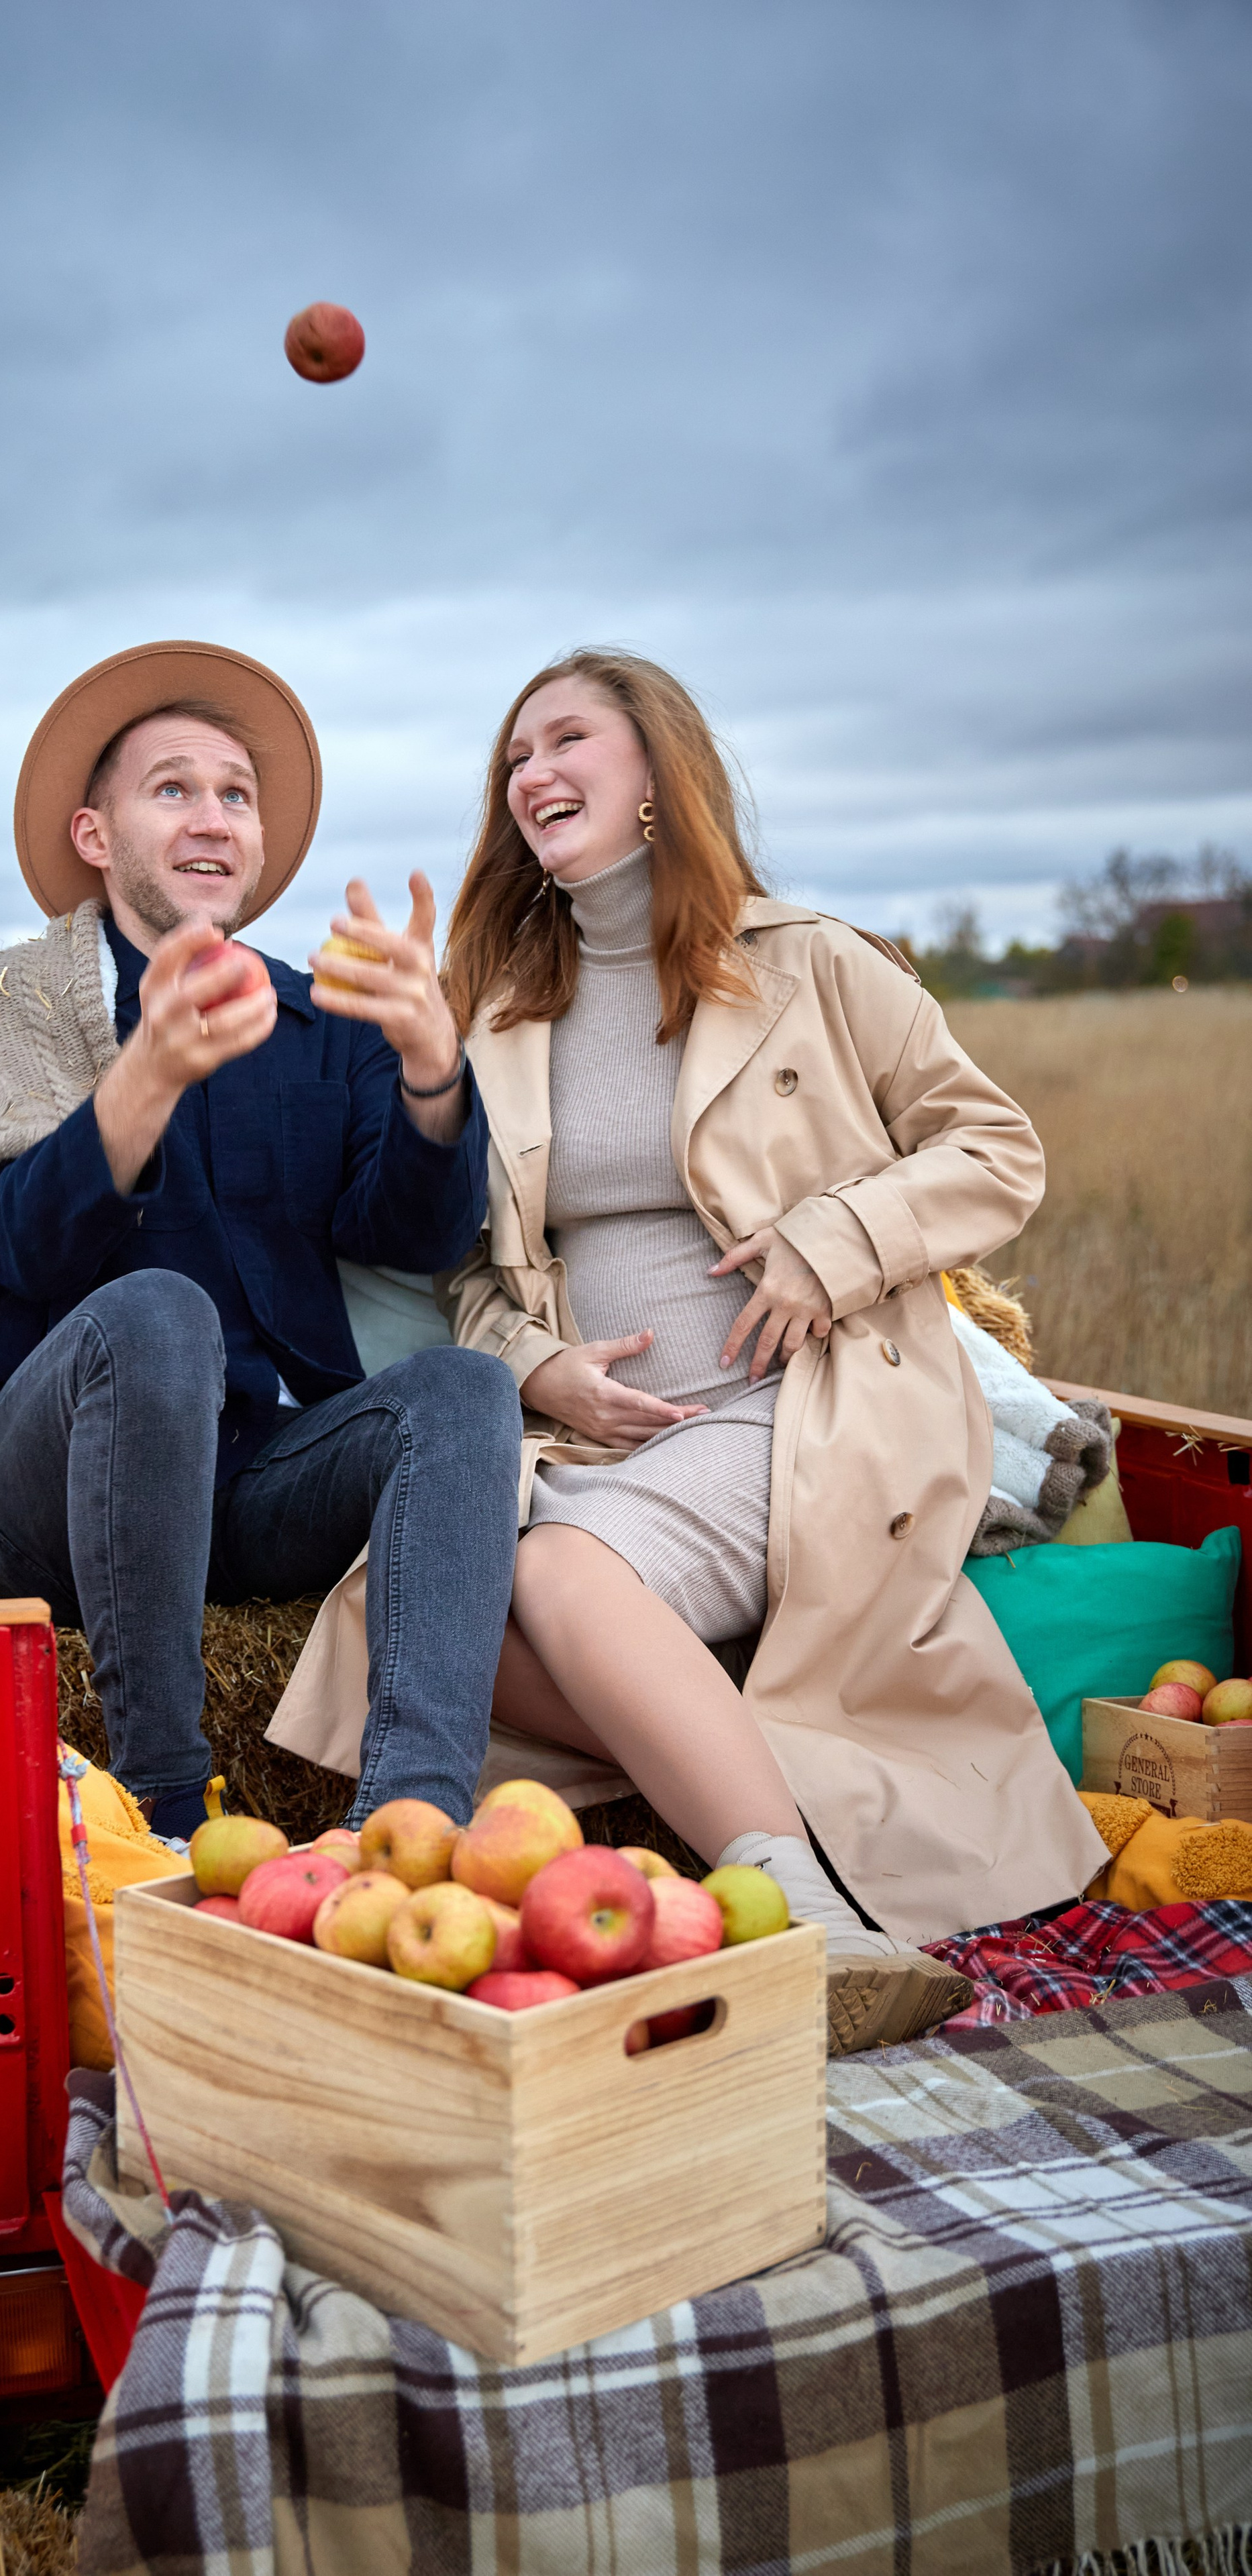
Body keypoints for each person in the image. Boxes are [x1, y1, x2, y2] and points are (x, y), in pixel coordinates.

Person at [440, 648, 1108, 2049]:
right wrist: (529, 1367)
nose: (530, 775)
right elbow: (460, 1274)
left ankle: (797, 1909)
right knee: (420, 1607)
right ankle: (740, 1741)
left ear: (653, 778)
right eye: (513, 759)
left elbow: (994, 1151)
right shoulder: (499, 1009)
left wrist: (834, 1240)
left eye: (565, 741)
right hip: (597, 1437)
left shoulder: (809, 961)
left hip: (795, 1410)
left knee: (554, 1571)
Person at [0, 641, 521, 1840]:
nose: (214, 816)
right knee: (160, 1309)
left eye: (236, 795)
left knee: (462, 1391)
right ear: (97, 837)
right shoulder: (17, 1001)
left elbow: (409, 1234)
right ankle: (159, 1809)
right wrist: (143, 1076)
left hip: (254, 1481)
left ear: (255, 846)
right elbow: (12, 1246)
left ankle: (411, 1824)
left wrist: (429, 1070)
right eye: (174, 789)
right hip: (45, 1489)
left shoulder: (322, 1020)